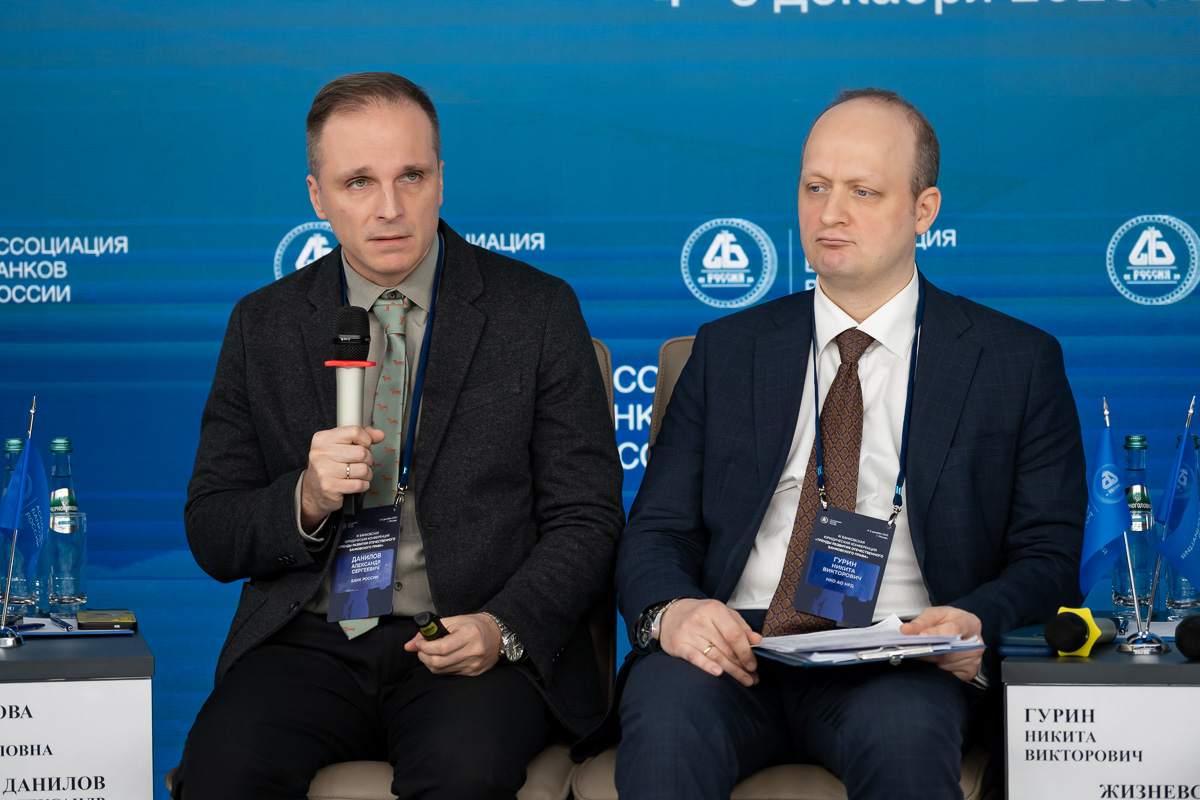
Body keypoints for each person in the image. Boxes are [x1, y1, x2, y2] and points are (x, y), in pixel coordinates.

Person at [610, 88, 1086, 799]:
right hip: (735, 645)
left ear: (924, 210)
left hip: (901, 655)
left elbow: (1048, 556)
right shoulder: (727, 351)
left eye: (863, 191)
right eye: (815, 187)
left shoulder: (1014, 362)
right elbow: (655, 530)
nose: (830, 213)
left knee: (905, 739)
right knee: (666, 724)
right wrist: (674, 611)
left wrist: (974, 621)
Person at [175, 72, 623, 800]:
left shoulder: (536, 312)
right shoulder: (264, 325)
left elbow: (589, 517)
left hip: (466, 639)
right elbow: (212, 525)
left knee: (463, 774)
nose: (390, 208)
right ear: (318, 196)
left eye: (410, 176)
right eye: (358, 182)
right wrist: (305, 498)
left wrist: (503, 627)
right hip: (310, 639)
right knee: (220, 772)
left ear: (441, 179)